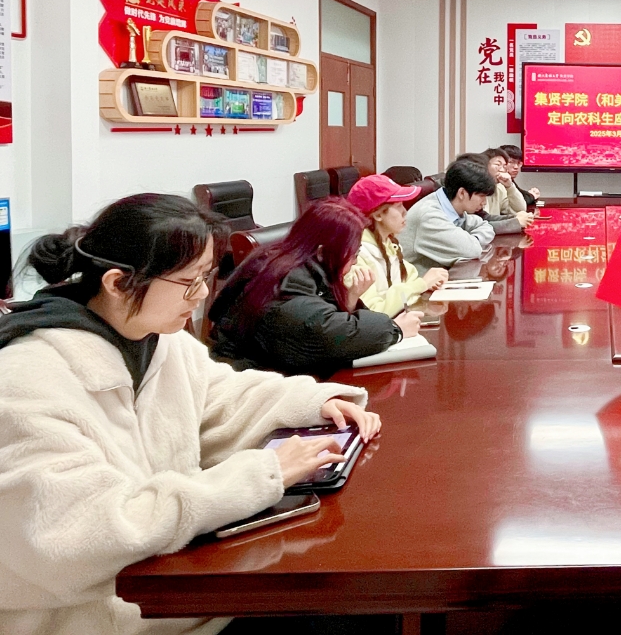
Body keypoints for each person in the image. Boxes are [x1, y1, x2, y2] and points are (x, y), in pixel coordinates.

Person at [0, 193, 380, 635]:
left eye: (205, 277)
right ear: (118, 283)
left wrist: (311, 402)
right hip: (96, 617)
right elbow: (75, 536)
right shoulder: (28, 378)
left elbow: (218, 396)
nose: (201, 296)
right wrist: (261, 474)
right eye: (188, 281)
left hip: (172, 587)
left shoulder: (159, 336)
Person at [209, 198, 420, 377]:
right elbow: (329, 334)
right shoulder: (283, 283)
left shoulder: (289, 260)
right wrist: (396, 329)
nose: (355, 262)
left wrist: (350, 299)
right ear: (322, 252)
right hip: (247, 383)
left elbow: (327, 319)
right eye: (353, 254)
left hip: (268, 372)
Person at [348, 174, 449, 316]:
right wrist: (422, 284)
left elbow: (410, 284)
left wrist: (424, 305)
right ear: (378, 215)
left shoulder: (389, 244)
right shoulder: (357, 256)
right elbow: (373, 312)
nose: (405, 212)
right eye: (398, 206)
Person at [402, 158, 497, 270]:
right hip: (419, 280)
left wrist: (474, 239)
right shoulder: (429, 215)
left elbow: (486, 226)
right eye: (482, 196)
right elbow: (471, 250)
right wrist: (472, 242)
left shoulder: (452, 208)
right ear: (462, 193)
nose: (484, 202)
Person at [482, 148, 534, 234]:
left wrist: (510, 187)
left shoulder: (499, 188)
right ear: (484, 166)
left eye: (504, 166)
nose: (502, 170)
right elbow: (480, 224)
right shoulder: (476, 189)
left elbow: (519, 210)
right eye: (498, 165)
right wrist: (515, 222)